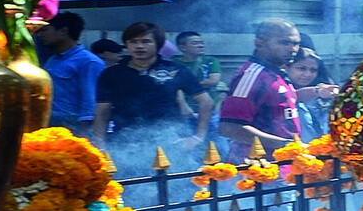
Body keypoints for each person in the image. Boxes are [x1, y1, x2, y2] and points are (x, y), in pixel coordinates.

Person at [91, 20, 212, 170]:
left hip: (170, 142)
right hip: (125, 143)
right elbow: (102, 112)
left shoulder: (175, 69)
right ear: (127, 45)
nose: (139, 46)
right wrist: (99, 145)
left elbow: (206, 102)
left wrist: (197, 137)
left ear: (158, 44)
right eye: (133, 42)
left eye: (146, 41)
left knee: (174, 188)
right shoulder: (111, 73)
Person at [217, 19, 302, 154]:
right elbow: (229, 127)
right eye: (284, 42)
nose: (293, 49)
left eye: (296, 43)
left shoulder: (275, 72)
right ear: (259, 42)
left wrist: (315, 92)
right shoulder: (251, 75)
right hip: (257, 166)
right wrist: (287, 145)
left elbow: (277, 103)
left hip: (283, 162)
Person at [35, 10, 104, 136]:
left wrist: (83, 134)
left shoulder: (88, 62)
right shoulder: (53, 59)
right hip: (50, 125)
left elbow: (90, 101)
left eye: (45, 30)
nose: (40, 35)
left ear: (63, 31)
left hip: (72, 128)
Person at [286, 49, 338, 141]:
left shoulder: (325, 94)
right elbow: (293, 97)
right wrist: (317, 91)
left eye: (313, 70)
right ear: (287, 68)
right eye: (301, 68)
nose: (307, 74)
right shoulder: (279, 90)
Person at [170, 30, 222, 97]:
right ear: (182, 47)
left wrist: (183, 86)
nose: (201, 45)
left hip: (208, 101)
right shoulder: (173, 64)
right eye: (195, 43)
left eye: (201, 43)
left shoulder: (211, 61)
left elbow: (213, 81)